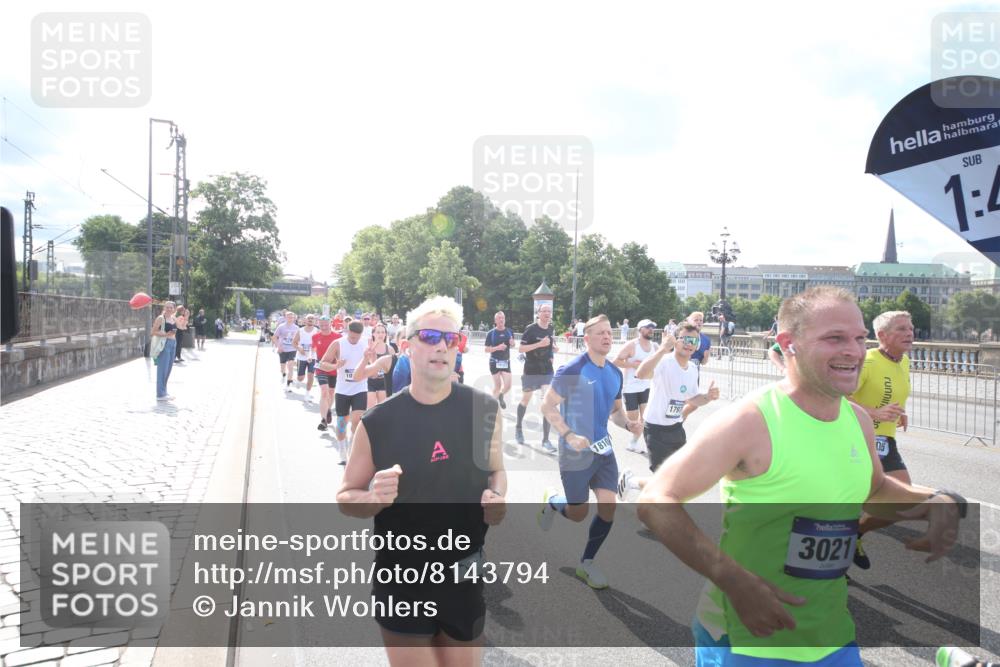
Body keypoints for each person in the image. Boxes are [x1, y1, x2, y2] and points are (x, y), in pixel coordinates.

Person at [636, 287, 966, 666]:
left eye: (860, 338)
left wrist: (936, 502)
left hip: (831, 636)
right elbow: (656, 500)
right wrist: (734, 581)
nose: (855, 351)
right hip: (745, 636)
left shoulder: (856, 419)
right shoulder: (748, 420)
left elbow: (873, 489)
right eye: (835, 338)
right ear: (788, 344)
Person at [337, 295, 506, 666]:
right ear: (407, 344)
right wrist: (373, 498)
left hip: (465, 574)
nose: (442, 346)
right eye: (430, 336)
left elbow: (496, 469)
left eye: (452, 339)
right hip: (403, 578)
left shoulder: (484, 410)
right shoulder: (377, 422)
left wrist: (496, 496)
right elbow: (346, 496)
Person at [536, 314, 642, 589]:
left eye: (609, 332)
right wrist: (569, 435)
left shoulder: (614, 373)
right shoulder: (572, 369)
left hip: (603, 452)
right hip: (575, 455)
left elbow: (615, 412)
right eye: (600, 333)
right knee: (578, 514)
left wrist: (628, 424)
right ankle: (554, 502)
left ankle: (587, 563)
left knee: (609, 507)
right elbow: (547, 407)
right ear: (587, 339)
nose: (607, 337)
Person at [617, 321, 720, 498]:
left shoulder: (693, 368)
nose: (690, 344)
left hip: (676, 428)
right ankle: (652, 518)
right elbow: (641, 374)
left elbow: (692, 398)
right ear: (676, 341)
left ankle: (631, 482)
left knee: (681, 477)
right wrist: (662, 349)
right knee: (666, 483)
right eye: (686, 339)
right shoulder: (665, 361)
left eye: (694, 341)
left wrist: (707, 397)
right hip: (656, 429)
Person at [848, 310, 915, 570]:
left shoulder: (904, 361)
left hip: (885, 439)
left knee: (901, 501)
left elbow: (888, 393)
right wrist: (874, 413)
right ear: (882, 335)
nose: (909, 333)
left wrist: (898, 413)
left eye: (911, 328)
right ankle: (830, 565)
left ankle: (854, 534)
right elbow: (838, 397)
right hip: (855, 438)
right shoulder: (869, 362)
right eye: (901, 329)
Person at [317, 321, 379, 465]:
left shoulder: (365, 343)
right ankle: (342, 449)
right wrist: (335, 365)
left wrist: (372, 356)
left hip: (360, 387)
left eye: (357, 338)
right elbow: (322, 363)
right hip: (342, 389)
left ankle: (352, 449)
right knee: (341, 424)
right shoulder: (338, 343)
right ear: (347, 331)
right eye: (352, 337)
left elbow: (373, 365)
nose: (354, 340)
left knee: (357, 419)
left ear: (361, 335)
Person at [516, 304, 558, 453]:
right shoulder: (531, 329)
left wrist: (552, 351)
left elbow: (550, 343)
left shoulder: (551, 328)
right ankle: (519, 428)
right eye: (544, 311)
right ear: (538, 313)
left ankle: (546, 440)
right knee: (525, 400)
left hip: (546, 370)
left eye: (549, 311)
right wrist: (539, 344)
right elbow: (521, 349)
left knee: (548, 402)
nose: (547, 313)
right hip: (531, 369)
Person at [613, 318, 659, 453]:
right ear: (640, 330)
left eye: (652, 327)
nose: (651, 329)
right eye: (648, 327)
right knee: (633, 420)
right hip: (631, 387)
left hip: (646, 386)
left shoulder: (655, 346)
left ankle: (635, 443)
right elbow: (615, 361)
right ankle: (614, 418)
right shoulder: (632, 345)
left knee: (644, 417)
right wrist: (633, 365)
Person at [312, 316, 341, 431]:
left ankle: (328, 409)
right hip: (321, 367)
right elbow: (313, 350)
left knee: (331, 392)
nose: (324, 327)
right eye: (321, 325)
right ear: (318, 324)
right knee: (324, 391)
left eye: (326, 324)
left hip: (334, 367)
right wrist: (310, 356)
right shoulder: (315, 337)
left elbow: (340, 352)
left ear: (331, 324)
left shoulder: (338, 336)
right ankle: (323, 420)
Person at [484, 311, 514, 409]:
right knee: (497, 386)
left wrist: (512, 343)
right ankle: (491, 406)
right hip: (494, 362)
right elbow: (486, 349)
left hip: (505, 361)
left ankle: (501, 395)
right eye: (499, 318)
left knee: (508, 385)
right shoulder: (491, 333)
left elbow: (513, 346)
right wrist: (497, 348)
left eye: (503, 318)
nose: (501, 320)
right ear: (495, 320)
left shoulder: (509, 331)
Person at [152, 301, 177, 401]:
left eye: (171, 307)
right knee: (162, 369)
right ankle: (160, 394)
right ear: (164, 308)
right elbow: (153, 332)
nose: (169, 309)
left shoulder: (173, 318)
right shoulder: (161, 318)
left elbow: (182, 326)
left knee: (168, 369)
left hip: (173, 344)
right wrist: (165, 334)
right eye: (167, 307)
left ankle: (164, 391)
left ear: (174, 309)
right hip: (165, 344)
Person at [292, 314, 319, 403]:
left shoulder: (317, 331)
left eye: (312, 318)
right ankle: (298, 381)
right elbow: (294, 343)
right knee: (301, 378)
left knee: (311, 376)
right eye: (309, 318)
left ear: (315, 321)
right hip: (301, 357)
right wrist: (299, 349)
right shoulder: (300, 330)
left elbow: (319, 343)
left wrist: (315, 350)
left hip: (313, 357)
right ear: (305, 320)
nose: (310, 320)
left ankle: (307, 394)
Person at [366, 323, 393, 408]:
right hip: (370, 381)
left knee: (382, 409)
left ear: (385, 334)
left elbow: (394, 367)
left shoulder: (390, 349)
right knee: (370, 410)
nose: (380, 334)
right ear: (373, 334)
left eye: (382, 332)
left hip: (384, 382)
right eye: (378, 332)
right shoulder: (368, 348)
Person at [272, 311, 300, 392]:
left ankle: (288, 385)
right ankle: (283, 375)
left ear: (294, 318)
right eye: (288, 317)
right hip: (282, 349)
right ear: (285, 318)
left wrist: (299, 347)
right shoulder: (281, 327)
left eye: (292, 317)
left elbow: (299, 339)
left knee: (290, 367)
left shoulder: (296, 328)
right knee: (282, 368)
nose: (290, 318)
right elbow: (274, 337)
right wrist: (278, 346)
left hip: (292, 349)